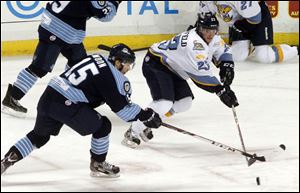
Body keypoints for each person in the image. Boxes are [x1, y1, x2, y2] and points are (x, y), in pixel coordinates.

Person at [1, 43, 162, 178]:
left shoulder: (96, 57)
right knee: (103, 126)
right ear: (118, 62)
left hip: (49, 94)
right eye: (128, 65)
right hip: (66, 103)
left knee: (39, 136)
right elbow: (123, 110)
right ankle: (98, 162)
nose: (128, 69)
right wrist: (146, 115)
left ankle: (6, 160)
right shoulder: (115, 77)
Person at [122, 13, 239, 148]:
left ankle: (148, 122)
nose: (210, 35)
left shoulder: (213, 38)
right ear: (199, 29)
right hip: (156, 63)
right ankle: (134, 130)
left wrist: (227, 65)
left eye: (213, 31)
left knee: (185, 103)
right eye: (206, 31)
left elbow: (223, 50)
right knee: (164, 103)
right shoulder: (193, 45)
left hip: (175, 69)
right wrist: (220, 90)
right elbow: (200, 76)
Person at [1, 1, 122, 117]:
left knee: (79, 65)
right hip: (57, 30)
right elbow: (104, 15)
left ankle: (68, 97)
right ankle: (12, 97)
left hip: (65, 31)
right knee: (40, 67)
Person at [193, 1, 298, 63]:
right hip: (238, 24)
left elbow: (256, 18)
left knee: (263, 56)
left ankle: (296, 49)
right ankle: (250, 48)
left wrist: (239, 27)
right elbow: (205, 19)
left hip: (258, 19)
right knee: (237, 57)